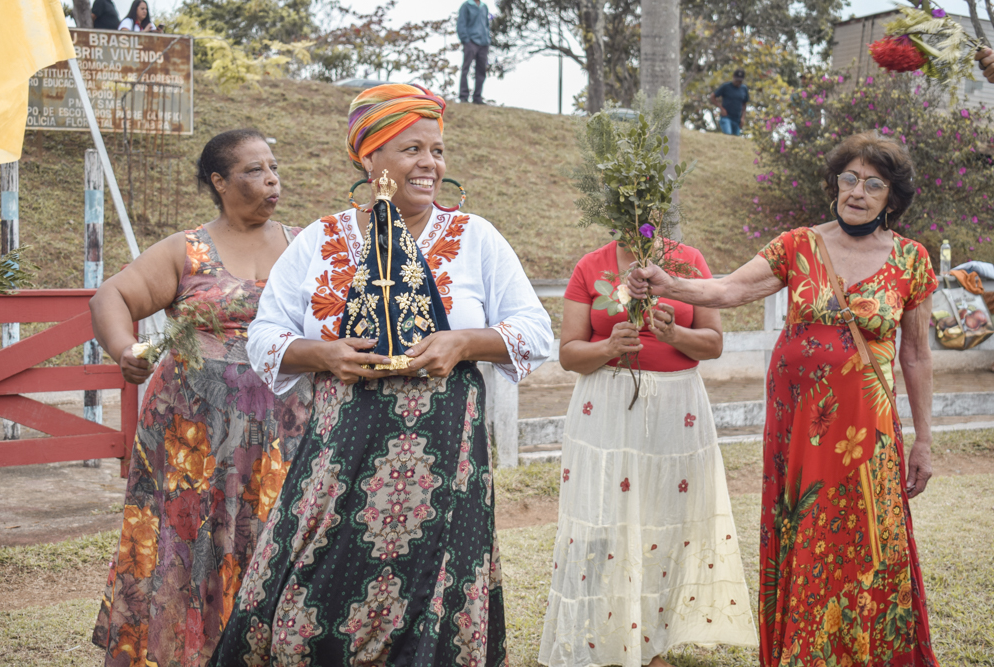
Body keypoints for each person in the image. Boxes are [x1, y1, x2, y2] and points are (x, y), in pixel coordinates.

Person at [209, 83, 553, 666]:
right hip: (342, 454)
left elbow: (535, 330)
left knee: (434, 592)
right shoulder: (322, 239)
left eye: (437, 150)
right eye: (411, 149)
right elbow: (265, 334)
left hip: (446, 464)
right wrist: (325, 355)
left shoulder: (475, 237)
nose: (429, 164)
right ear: (369, 159)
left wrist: (464, 342)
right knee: (311, 584)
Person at [628, 131, 940, 666]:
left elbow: (915, 355)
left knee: (868, 537)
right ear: (834, 184)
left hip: (868, 430)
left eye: (873, 184)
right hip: (799, 426)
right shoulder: (797, 244)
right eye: (849, 178)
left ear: (892, 197)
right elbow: (730, 289)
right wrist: (666, 283)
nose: (857, 192)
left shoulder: (911, 259)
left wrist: (925, 441)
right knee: (807, 529)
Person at [90, 129, 311, 667]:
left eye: (273, 167)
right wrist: (125, 349)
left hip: (285, 427)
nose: (271, 179)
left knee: (277, 532)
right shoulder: (186, 249)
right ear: (220, 181)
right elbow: (111, 296)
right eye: (254, 170)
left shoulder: (305, 246)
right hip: (190, 431)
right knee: (188, 537)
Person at [538, 239, 757, 667]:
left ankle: (651, 642)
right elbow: (568, 354)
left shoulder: (689, 261)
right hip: (606, 408)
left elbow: (713, 344)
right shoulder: (591, 265)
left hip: (677, 410)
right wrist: (607, 347)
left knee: (667, 524)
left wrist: (674, 335)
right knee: (604, 524)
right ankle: (603, 637)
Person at [457, 0, 490, 104]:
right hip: (471, 42)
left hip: (484, 43)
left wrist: (488, 39)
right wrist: (466, 41)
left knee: (481, 71)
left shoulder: (484, 7)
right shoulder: (466, 6)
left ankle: (477, 97)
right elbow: (461, 24)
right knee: (466, 69)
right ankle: (463, 96)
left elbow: (486, 24)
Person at [710, 69, 749, 136]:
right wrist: (721, 108)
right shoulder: (726, 86)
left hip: (737, 119)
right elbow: (712, 96)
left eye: (740, 81)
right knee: (728, 135)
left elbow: (744, 104)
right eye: (737, 80)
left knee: (735, 138)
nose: (738, 82)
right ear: (733, 77)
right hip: (726, 117)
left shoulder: (744, 89)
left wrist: (742, 118)